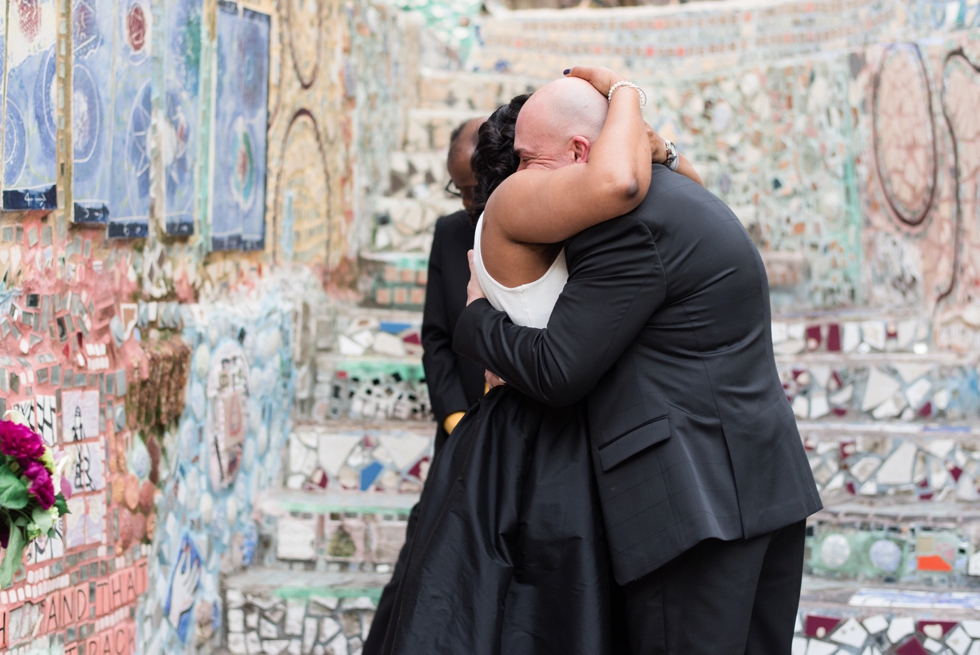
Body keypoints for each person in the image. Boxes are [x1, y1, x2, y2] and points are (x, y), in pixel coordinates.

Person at [455, 67, 822, 653]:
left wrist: (475, 320)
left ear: (582, 152)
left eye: (527, 160)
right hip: (762, 485)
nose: (520, 177)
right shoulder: (685, 196)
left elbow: (558, 371)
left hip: (695, 509)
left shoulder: (623, 228)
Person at [373, 71, 707, 655]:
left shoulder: (578, 224)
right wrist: (627, 93)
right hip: (533, 432)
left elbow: (684, 198)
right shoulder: (519, 207)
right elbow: (625, 183)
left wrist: (663, 150)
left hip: (550, 426)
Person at [364, 118, 488, 655]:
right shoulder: (449, 232)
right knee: (419, 568)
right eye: (457, 189)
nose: (465, 201)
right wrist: (455, 418)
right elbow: (436, 338)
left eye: (473, 189)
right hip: (460, 428)